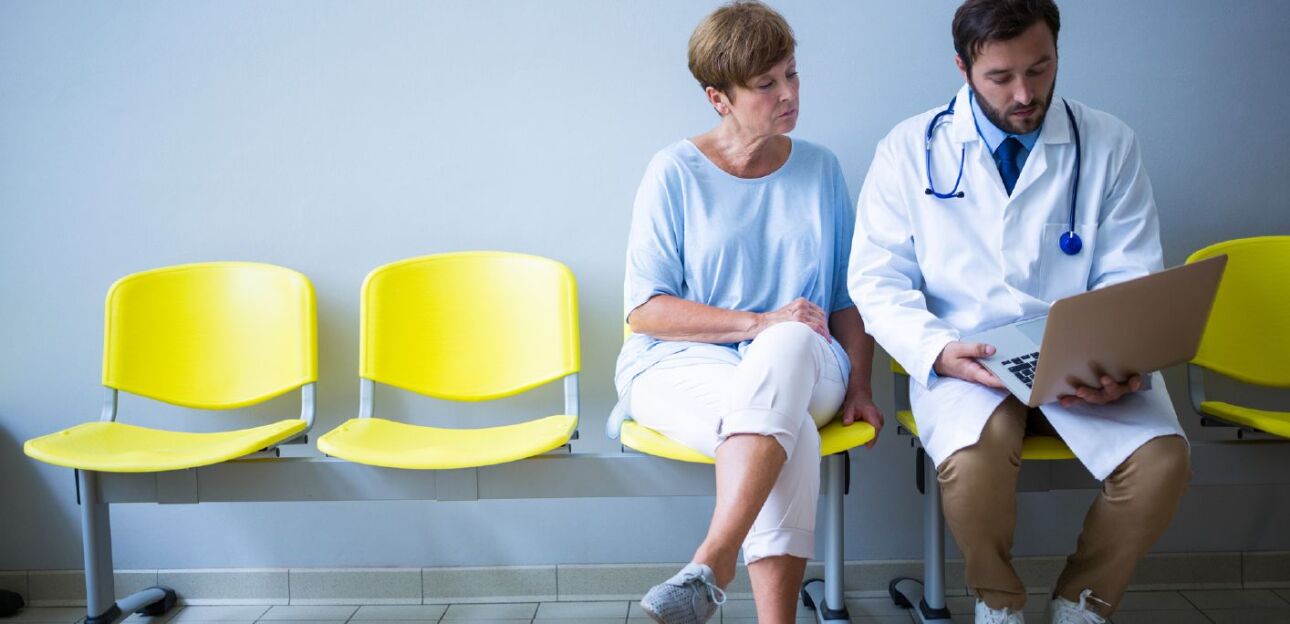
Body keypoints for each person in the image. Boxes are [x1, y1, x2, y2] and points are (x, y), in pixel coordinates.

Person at [849, 1, 1190, 622]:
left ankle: (1082, 603)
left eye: (1040, 69)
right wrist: (937, 351)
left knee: (1162, 461)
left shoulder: (1108, 143)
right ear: (963, 68)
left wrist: (1122, 360)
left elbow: (1131, 272)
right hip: (968, 355)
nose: (1025, 94)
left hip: (1083, 356)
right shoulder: (909, 149)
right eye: (1000, 77)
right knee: (975, 459)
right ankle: (998, 603)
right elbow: (876, 280)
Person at [613, 2, 883, 622]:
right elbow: (646, 312)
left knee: (787, 347)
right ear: (719, 99)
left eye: (792, 73)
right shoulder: (673, 173)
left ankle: (714, 558)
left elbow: (846, 298)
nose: (788, 94)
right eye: (766, 84)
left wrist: (862, 385)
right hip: (681, 365)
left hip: (808, 361)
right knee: (790, 433)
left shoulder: (821, 169)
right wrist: (759, 322)